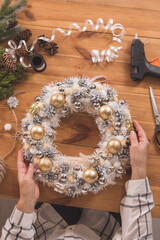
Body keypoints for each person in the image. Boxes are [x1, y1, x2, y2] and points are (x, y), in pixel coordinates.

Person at [0, 120, 154, 240]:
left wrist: (26, 201)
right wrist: (139, 169)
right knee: (111, 181)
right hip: (103, 230)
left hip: (48, 226)